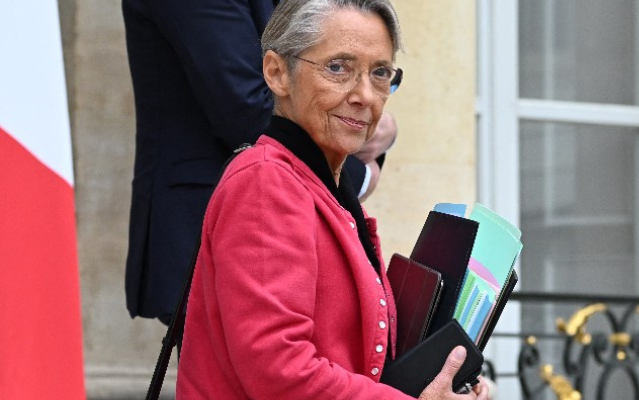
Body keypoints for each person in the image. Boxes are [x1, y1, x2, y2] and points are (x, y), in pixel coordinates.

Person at [175, 0, 489, 399]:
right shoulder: (267, 182)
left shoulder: (323, 190)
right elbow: (278, 371)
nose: (363, 95)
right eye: (338, 67)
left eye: (380, 73)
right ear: (277, 74)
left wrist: (442, 382)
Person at [121, 0, 397, 325]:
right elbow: (246, 108)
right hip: (213, 222)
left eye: (381, 73)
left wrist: (368, 137)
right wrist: (359, 174)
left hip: (290, 213)